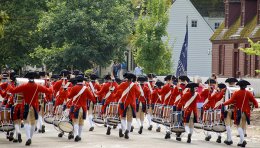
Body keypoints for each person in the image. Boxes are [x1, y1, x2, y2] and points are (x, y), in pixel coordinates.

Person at [11, 72, 52, 146]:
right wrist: (50, 85)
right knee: (33, 123)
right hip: (34, 106)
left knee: (26, 122)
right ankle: (30, 137)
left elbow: (13, 91)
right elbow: (49, 91)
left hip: (25, 105)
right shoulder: (37, 86)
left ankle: (28, 138)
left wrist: (8, 85)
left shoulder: (24, 85)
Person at [223, 80, 258, 147]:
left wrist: (224, 103)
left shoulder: (236, 93)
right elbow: (254, 100)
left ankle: (242, 140)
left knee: (238, 125)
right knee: (243, 125)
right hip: (246, 112)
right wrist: (256, 105)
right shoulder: (248, 93)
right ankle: (241, 141)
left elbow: (231, 101)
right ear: (245, 86)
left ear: (239, 86)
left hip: (238, 111)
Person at [68, 75, 95, 142]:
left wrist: (66, 90)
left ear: (76, 80)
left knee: (75, 122)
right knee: (81, 123)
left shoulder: (74, 88)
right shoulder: (86, 88)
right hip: (83, 108)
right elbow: (92, 97)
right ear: (83, 80)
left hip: (76, 107)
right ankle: (79, 136)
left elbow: (69, 96)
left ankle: (76, 135)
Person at [114, 72, 140, 139]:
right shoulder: (134, 85)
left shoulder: (122, 84)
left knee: (122, 117)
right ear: (132, 79)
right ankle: (127, 132)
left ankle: (125, 129)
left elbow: (117, 91)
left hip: (123, 103)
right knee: (129, 119)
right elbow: (138, 94)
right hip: (131, 104)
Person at [223, 77, 238, 145]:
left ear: (228, 83)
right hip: (235, 109)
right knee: (230, 124)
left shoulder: (226, 89)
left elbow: (223, 98)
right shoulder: (237, 89)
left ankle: (229, 139)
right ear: (235, 83)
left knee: (227, 124)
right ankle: (227, 138)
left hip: (228, 108)